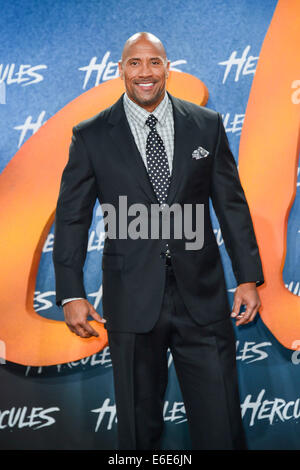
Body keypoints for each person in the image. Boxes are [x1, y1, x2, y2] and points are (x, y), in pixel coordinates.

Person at [53, 32, 264, 450]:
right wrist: (70, 293)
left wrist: (248, 278)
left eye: (154, 62)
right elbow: (72, 217)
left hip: (202, 300)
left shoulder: (206, 125)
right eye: (135, 63)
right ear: (121, 71)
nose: (145, 72)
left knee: (221, 426)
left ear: (168, 67)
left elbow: (232, 206)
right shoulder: (91, 134)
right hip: (130, 300)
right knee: (137, 433)